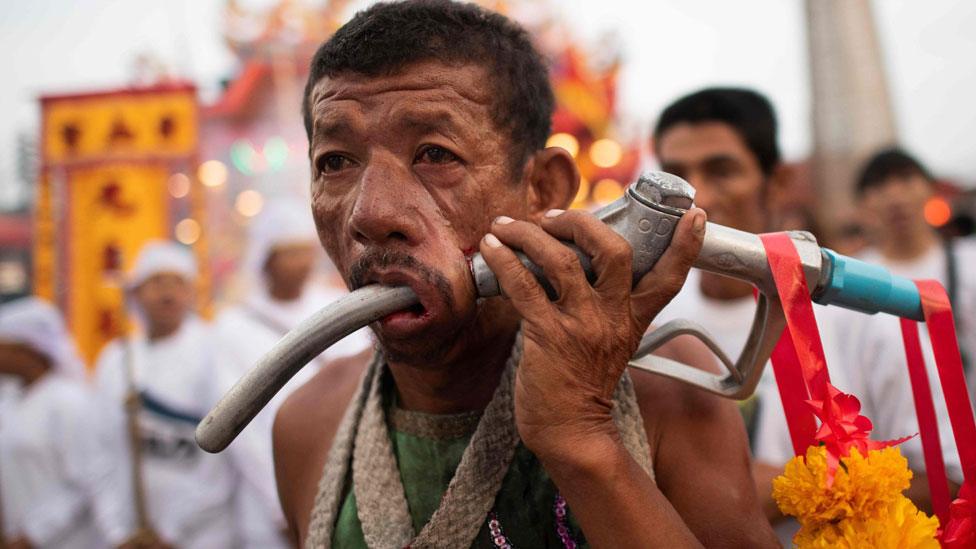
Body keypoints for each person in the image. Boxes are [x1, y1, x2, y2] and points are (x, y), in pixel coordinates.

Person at [270, 2, 776, 547]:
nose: (371, 215)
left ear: (542, 191)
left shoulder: (665, 389)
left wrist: (581, 435)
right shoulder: (306, 424)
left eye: (435, 154)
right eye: (335, 162)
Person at [650, 88, 961, 535]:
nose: (697, 197)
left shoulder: (862, 315)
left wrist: (787, 489)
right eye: (676, 176)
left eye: (722, 171)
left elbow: (948, 476)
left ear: (776, 183)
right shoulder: (650, 317)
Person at [210, 198, 370, 549]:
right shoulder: (233, 327)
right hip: (265, 497)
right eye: (289, 253)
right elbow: (241, 428)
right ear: (266, 259)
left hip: (349, 481)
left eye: (305, 251)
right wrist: (278, 505)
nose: (300, 262)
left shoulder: (339, 308)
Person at [93, 241, 237, 548]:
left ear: (191, 293)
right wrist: (117, 533)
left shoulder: (213, 352)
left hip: (200, 534)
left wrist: (170, 532)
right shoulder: (116, 359)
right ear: (136, 294)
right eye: (157, 282)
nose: (167, 293)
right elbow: (99, 452)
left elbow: (220, 457)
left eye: (178, 283)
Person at [0, 297, 131, 549]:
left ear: (27, 350)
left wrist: (33, 534)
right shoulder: (10, 402)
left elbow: (84, 482)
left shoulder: (69, 402)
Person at [855, 148, 976, 378]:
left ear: (930, 188)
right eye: (879, 186)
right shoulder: (856, 279)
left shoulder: (970, 260)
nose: (895, 197)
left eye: (906, 179)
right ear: (863, 203)